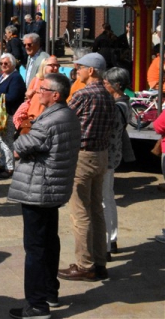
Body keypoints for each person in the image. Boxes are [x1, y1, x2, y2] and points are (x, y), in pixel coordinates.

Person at [6, 72, 80, 319]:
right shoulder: (68, 115)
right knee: (49, 241)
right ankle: (49, 292)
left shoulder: (49, 121)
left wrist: (22, 141)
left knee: (36, 247)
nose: (38, 92)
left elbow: (19, 148)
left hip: (38, 188)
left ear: (55, 95)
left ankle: (37, 305)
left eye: (43, 89)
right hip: (52, 187)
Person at [59, 52, 118, 282]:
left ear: (91, 70)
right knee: (96, 210)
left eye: (80, 67)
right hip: (101, 155)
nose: (77, 71)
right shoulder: (108, 96)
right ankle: (99, 262)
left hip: (83, 156)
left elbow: (62, 118)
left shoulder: (83, 94)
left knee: (80, 212)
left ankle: (85, 264)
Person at [101, 67, 134, 258]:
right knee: (108, 198)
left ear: (117, 85)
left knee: (104, 201)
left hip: (107, 157)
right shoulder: (122, 103)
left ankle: (106, 245)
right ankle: (111, 239)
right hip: (112, 156)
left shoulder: (117, 106)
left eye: (106, 82)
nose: (103, 85)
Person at [0, 53, 27, 179]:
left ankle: (10, 168)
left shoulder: (15, 78)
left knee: (7, 142)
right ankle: (2, 164)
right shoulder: (2, 76)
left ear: (13, 64)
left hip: (9, 114)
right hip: (0, 114)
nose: (3, 65)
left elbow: (13, 96)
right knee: (1, 141)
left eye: (6, 63)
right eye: (1, 63)